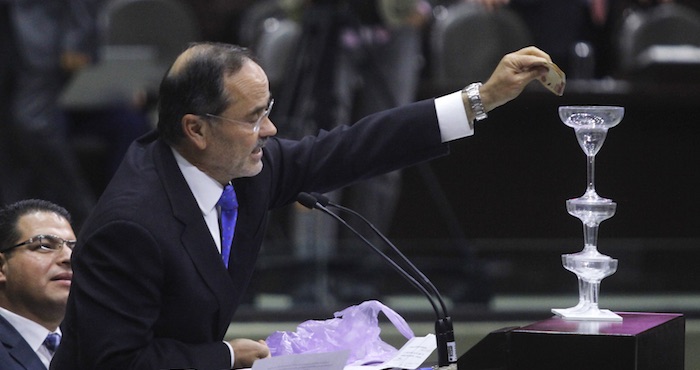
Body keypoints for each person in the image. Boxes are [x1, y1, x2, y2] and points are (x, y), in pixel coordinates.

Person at [51, 42, 553, 369]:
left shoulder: (241, 169)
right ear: (196, 129)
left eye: (268, 112)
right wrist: (222, 356)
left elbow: (353, 147)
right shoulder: (132, 225)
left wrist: (479, 100)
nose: (269, 131)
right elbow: (112, 363)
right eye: (253, 118)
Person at [0, 199, 76, 370]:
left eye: (73, 248)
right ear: (1, 267)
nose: (69, 258)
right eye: (44, 246)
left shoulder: (93, 347)